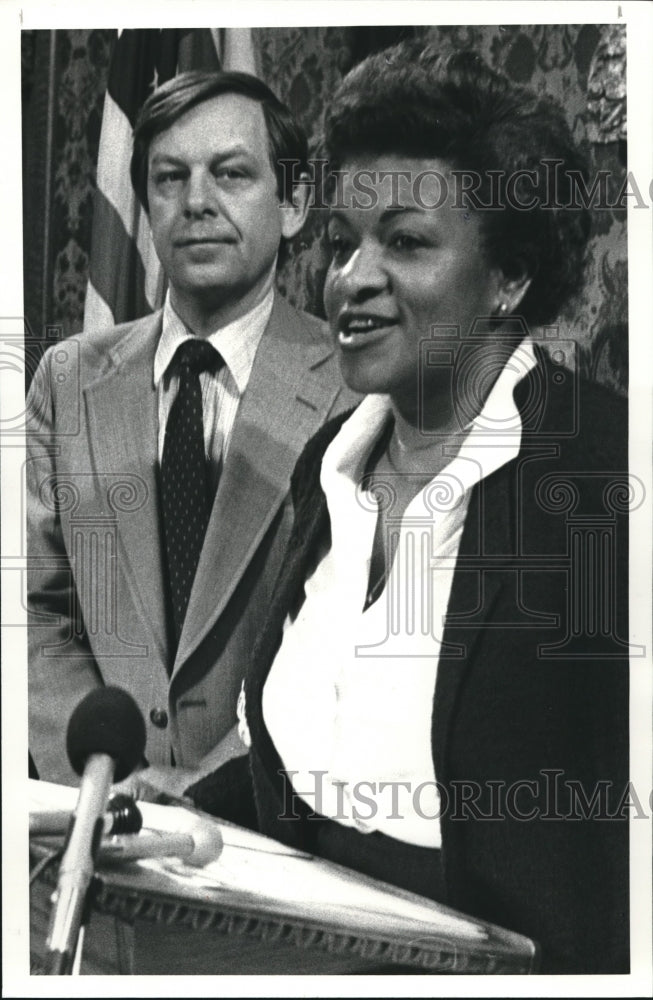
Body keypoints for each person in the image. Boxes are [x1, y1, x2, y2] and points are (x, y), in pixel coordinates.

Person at [190, 45, 630, 973]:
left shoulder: (603, 474)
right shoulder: (329, 461)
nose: (349, 278)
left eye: (407, 241)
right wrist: (185, 807)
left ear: (508, 276)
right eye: (343, 241)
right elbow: (322, 768)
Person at [27, 71, 357, 795]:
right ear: (144, 207)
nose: (197, 202)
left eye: (231, 174)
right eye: (169, 178)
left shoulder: (355, 388)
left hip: (270, 825)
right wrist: (102, 775)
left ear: (294, 202)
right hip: (90, 809)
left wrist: (212, 786)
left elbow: (348, 641)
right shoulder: (67, 378)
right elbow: (34, 608)